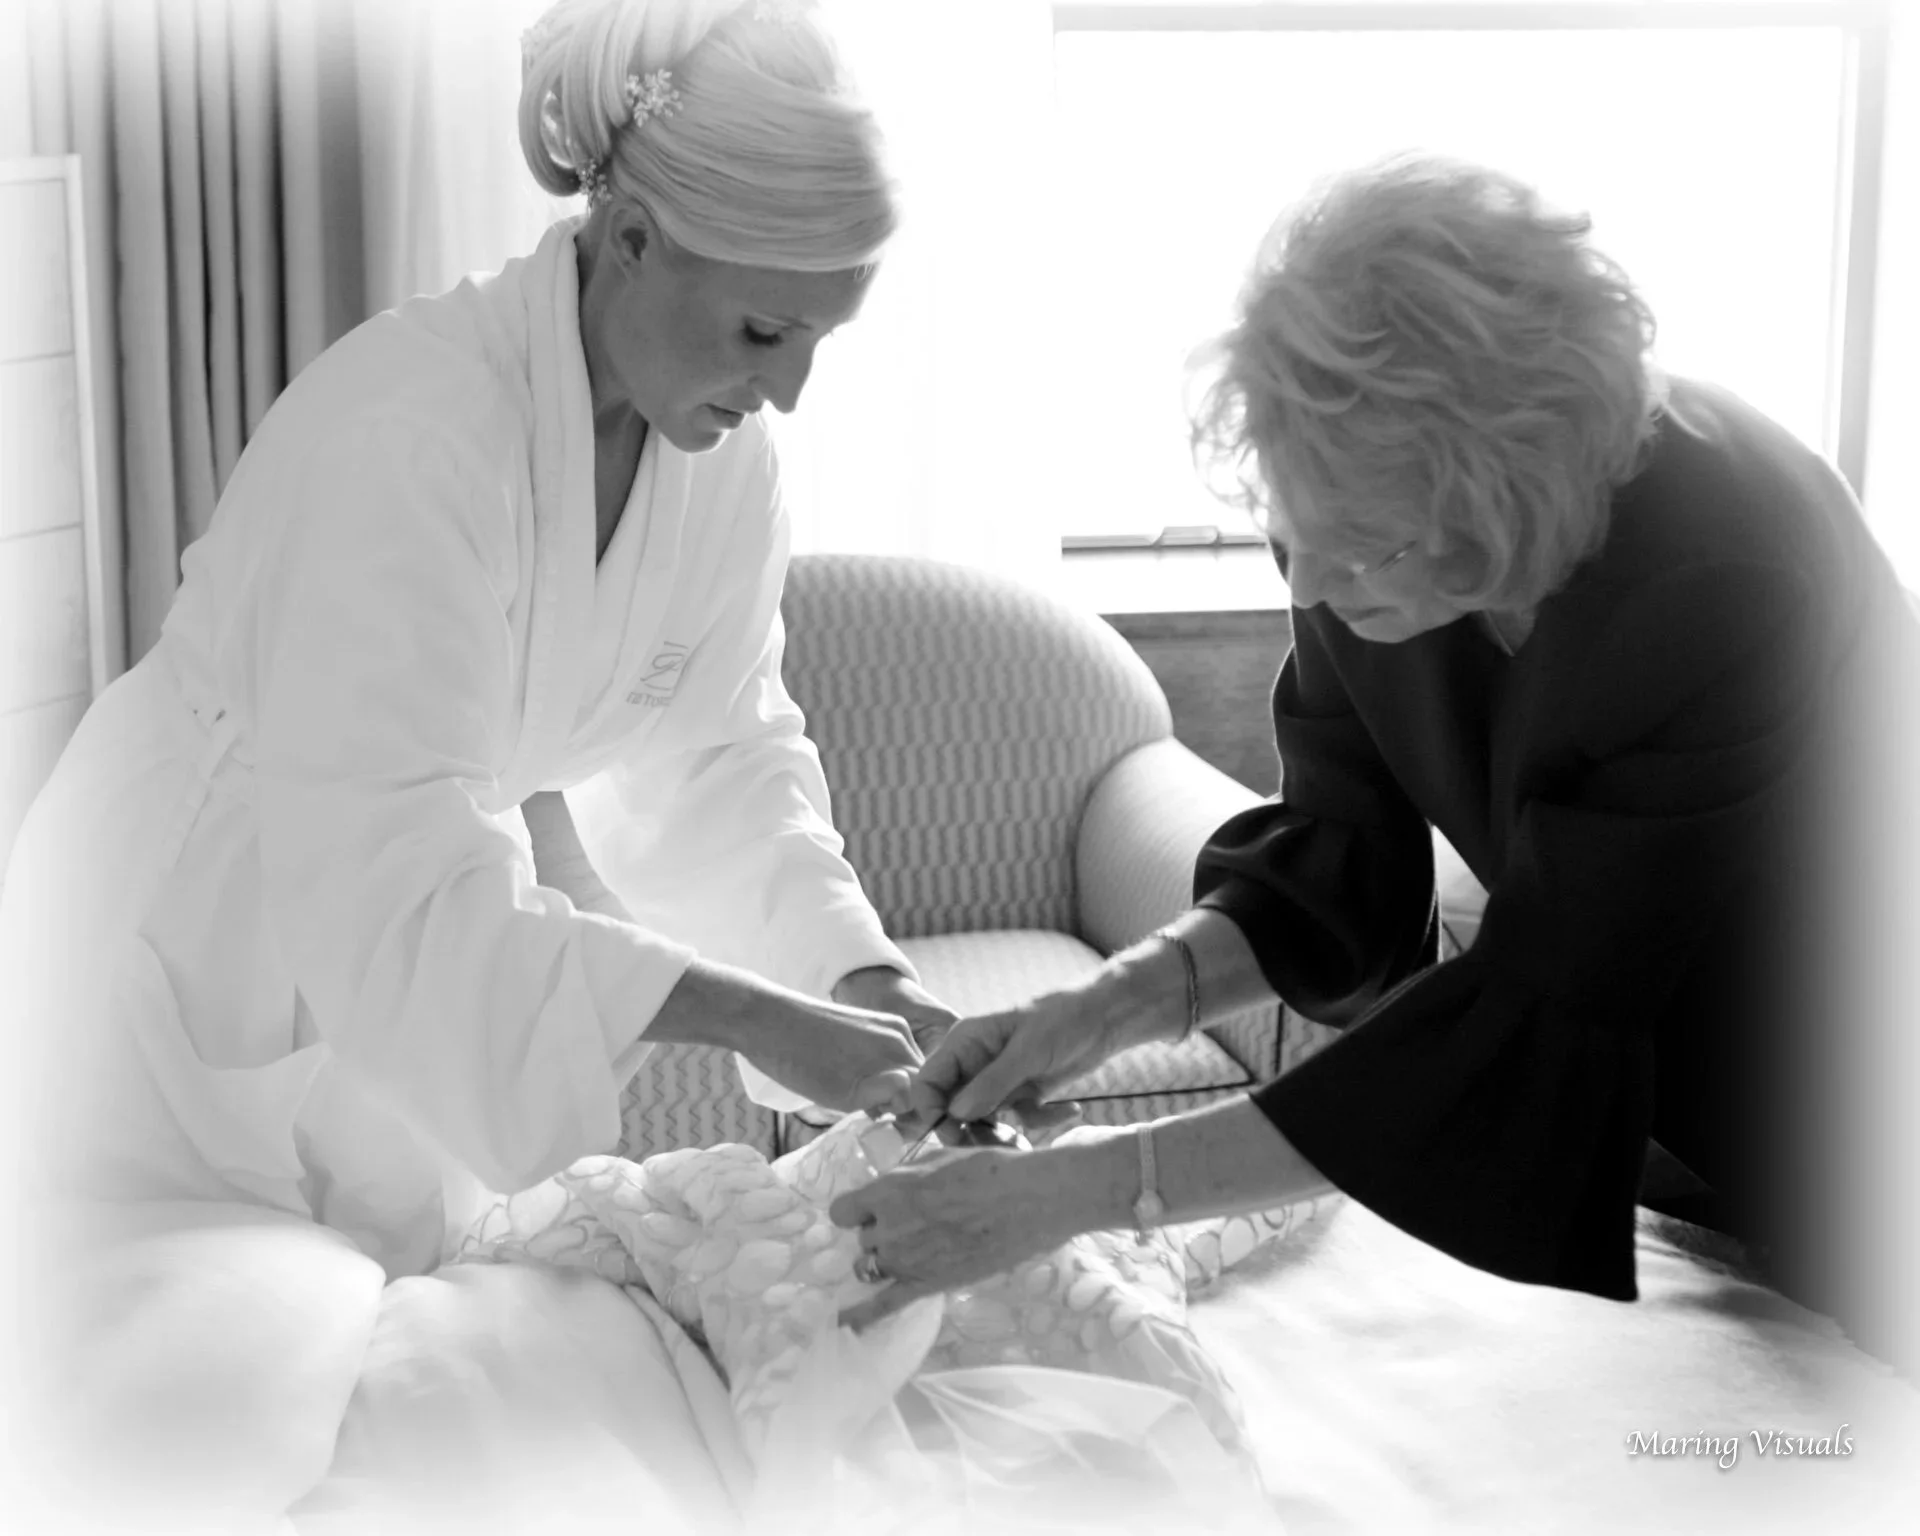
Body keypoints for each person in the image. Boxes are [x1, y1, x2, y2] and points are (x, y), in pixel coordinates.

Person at [0, 0, 961, 1524]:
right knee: (173, 1404)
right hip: (175, 938)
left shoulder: (721, 462)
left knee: (401, 1376)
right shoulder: (405, 431)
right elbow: (383, 853)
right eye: (764, 332)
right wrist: (746, 1015)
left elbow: (720, 753)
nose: (787, 392)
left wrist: (858, 983)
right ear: (630, 236)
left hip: (390, 937)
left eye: (821, 339)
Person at [831, 156, 1920, 1377]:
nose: (1305, 589)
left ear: (1500, 494)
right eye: (1285, 537)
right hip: (1672, 1080)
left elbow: (1542, 999)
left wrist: (1085, 1190)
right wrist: (1094, 1014)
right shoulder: (1366, 539)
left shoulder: (1723, 569)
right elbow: (1339, 864)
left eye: (1348, 552)